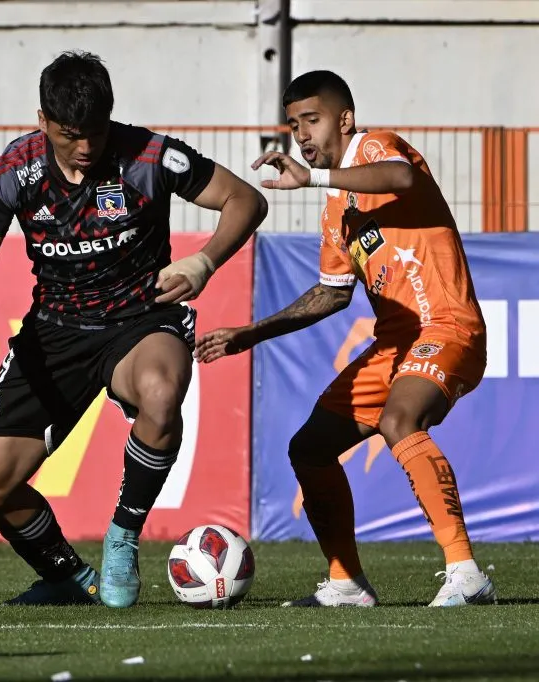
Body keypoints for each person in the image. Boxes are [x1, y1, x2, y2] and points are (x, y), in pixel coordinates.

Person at [0, 51, 267, 608]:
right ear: (42, 120)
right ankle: (69, 577)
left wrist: (204, 261)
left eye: (95, 131)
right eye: (71, 135)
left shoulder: (149, 156)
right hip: (54, 330)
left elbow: (246, 199)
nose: (86, 147)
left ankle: (122, 537)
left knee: (162, 393)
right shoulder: (11, 174)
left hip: (142, 320)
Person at [196, 70, 495, 608]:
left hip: (447, 327)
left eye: (311, 120)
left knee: (399, 420)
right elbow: (332, 295)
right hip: (395, 346)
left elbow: (402, 179)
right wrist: (250, 333)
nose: (302, 135)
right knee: (309, 449)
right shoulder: (337, 206)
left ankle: (467, 573)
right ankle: (347, 583)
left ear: (346, 119)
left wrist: (315, 178)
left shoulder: (374, 148)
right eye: (293, 125)